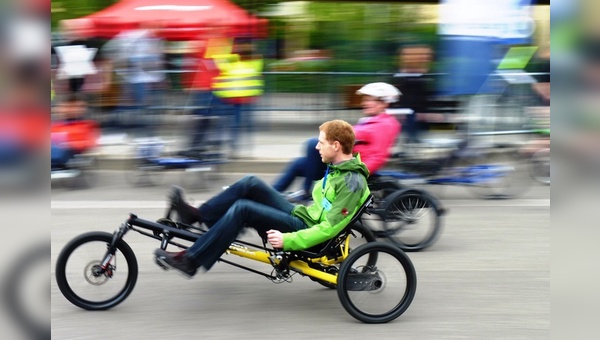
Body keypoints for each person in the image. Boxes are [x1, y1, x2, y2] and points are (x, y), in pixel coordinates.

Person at [155, 119, 371, 278]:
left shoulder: (351, 183)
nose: (316, 147)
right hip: (303, 215)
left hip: (307, 231)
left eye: (321, 143)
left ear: (336, 146)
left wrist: (288, 240)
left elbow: (328, 230)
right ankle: (197, 215)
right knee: (251, 183)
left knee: (243, 209)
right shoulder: (338, 169)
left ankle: (191, 260)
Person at [272, 82, 401, 201]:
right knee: (299, 163)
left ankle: (306, 191)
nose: (364, 103)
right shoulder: (369, 121)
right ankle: (269, 195)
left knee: (313, 144)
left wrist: (360, 172)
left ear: (384, 103)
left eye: (369, 100)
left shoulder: (384, 124)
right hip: (339, 161)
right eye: (365, 99)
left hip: (350, 167)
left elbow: (378, 156)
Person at [389, 45, 434, 144]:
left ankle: (412, 140)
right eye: (425, 55)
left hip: (418, 110)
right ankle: (412, 140)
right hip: (407, 110)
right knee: (411, 114)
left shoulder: (427, 74)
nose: (427, 58)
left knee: (413, 114)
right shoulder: (399, 74)